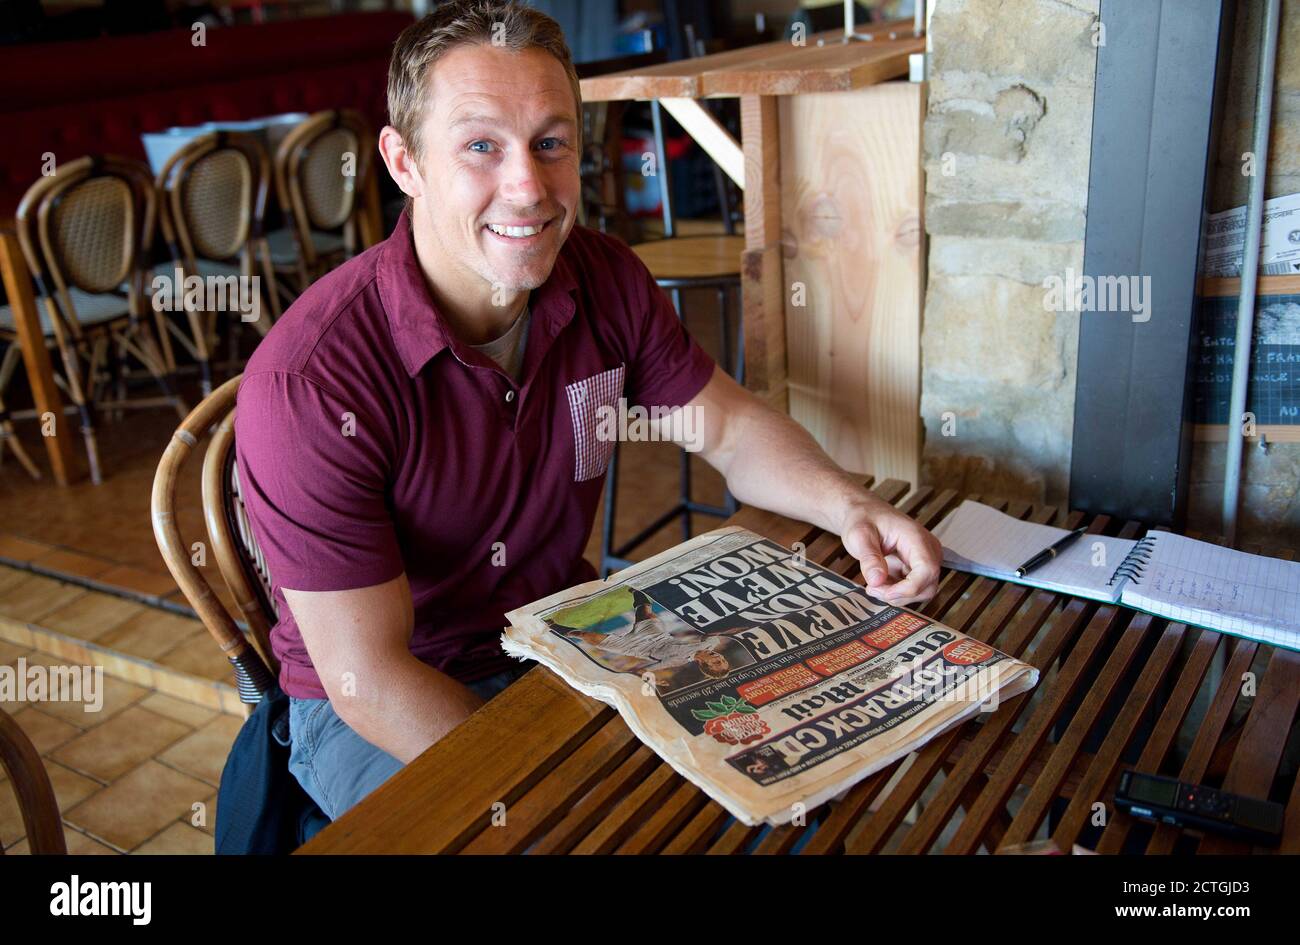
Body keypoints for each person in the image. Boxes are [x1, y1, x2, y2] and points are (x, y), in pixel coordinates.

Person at [234, 0, 942, 822]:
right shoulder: (313, 383)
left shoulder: (603, 277)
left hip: (562, 639)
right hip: (376, 705)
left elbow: (731, 428)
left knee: (804, 775)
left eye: (551, 142)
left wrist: (850, 503)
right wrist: (555, 802)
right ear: (403, 162)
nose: (528, 187)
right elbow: (370, 680)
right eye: (479, 146)